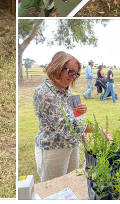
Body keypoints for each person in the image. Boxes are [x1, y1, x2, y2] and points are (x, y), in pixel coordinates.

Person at [33, 52, 110, 183]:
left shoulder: (66, 89)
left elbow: (71, 115)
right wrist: (97, 129)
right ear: (57, 68)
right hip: (54, 149)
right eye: (71, 72)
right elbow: (66, 125)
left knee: (71, 183)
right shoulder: (44, 92)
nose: (74, 76)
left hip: (72, 144)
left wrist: (79, 110)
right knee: (55, 188)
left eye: (76, 73)